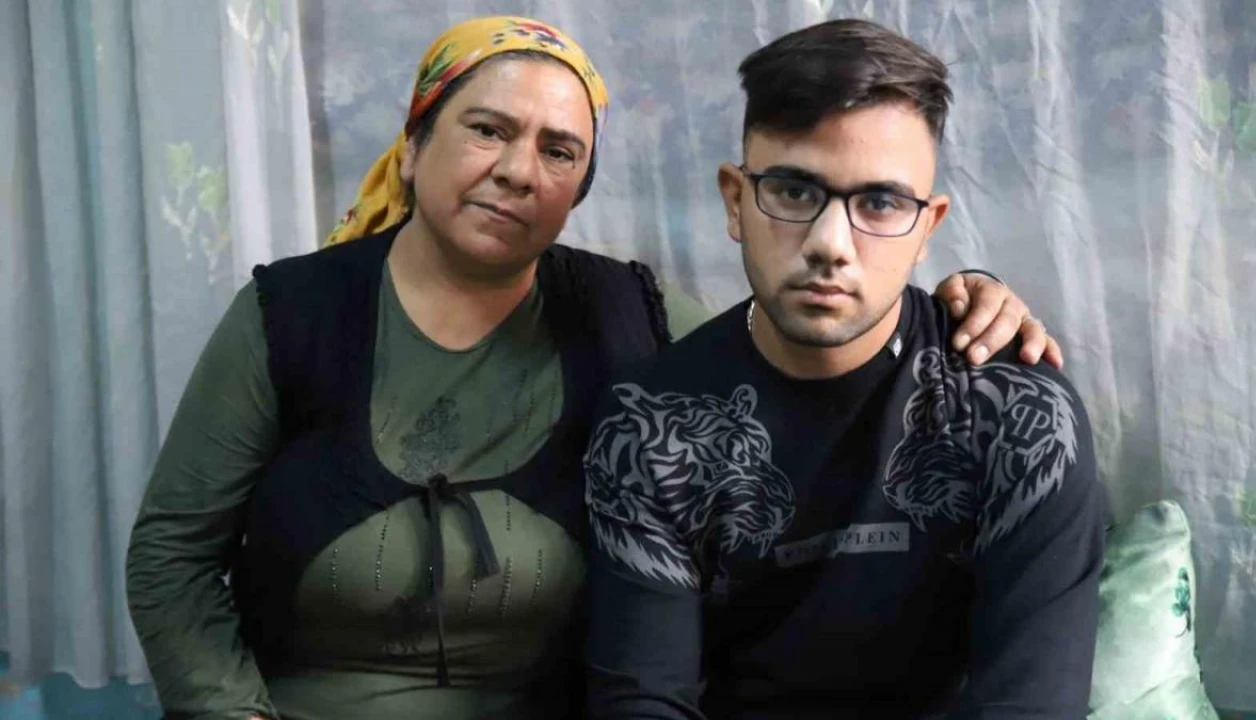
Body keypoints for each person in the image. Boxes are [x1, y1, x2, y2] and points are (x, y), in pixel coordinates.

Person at [126, 15, 1064, 720]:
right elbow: (171, 557)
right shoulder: (290, 315)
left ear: (577, 189)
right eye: (486, 130)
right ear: (412, 147)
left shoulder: (631, 316)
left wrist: (963, 304)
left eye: (558, 150)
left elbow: (799, 329)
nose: (517, 170)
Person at [583, 17, 1106, 720]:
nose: (831, 244)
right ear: (736, 200)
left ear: (927, 227)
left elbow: (1031, 704)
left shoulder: (1017, 411)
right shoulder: (652, 426)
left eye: (880, 203)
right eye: (795, 192)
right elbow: (644, 702)